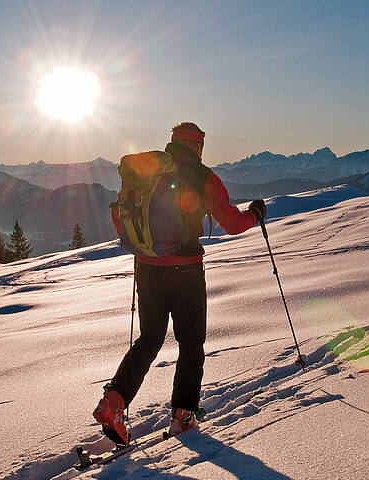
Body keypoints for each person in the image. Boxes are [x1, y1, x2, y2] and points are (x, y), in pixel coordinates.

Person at [93, 122, 267, 444]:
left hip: (147, 269)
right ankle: (183, 416)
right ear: (198, 146)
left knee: (150, 339)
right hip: (185, 271)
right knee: (190, 344)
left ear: (173, 143)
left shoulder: (142, 173)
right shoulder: (203, 177)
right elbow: (230, 222)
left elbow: (120, 219)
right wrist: (255, 215)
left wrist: (149, 247)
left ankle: (113, 402)